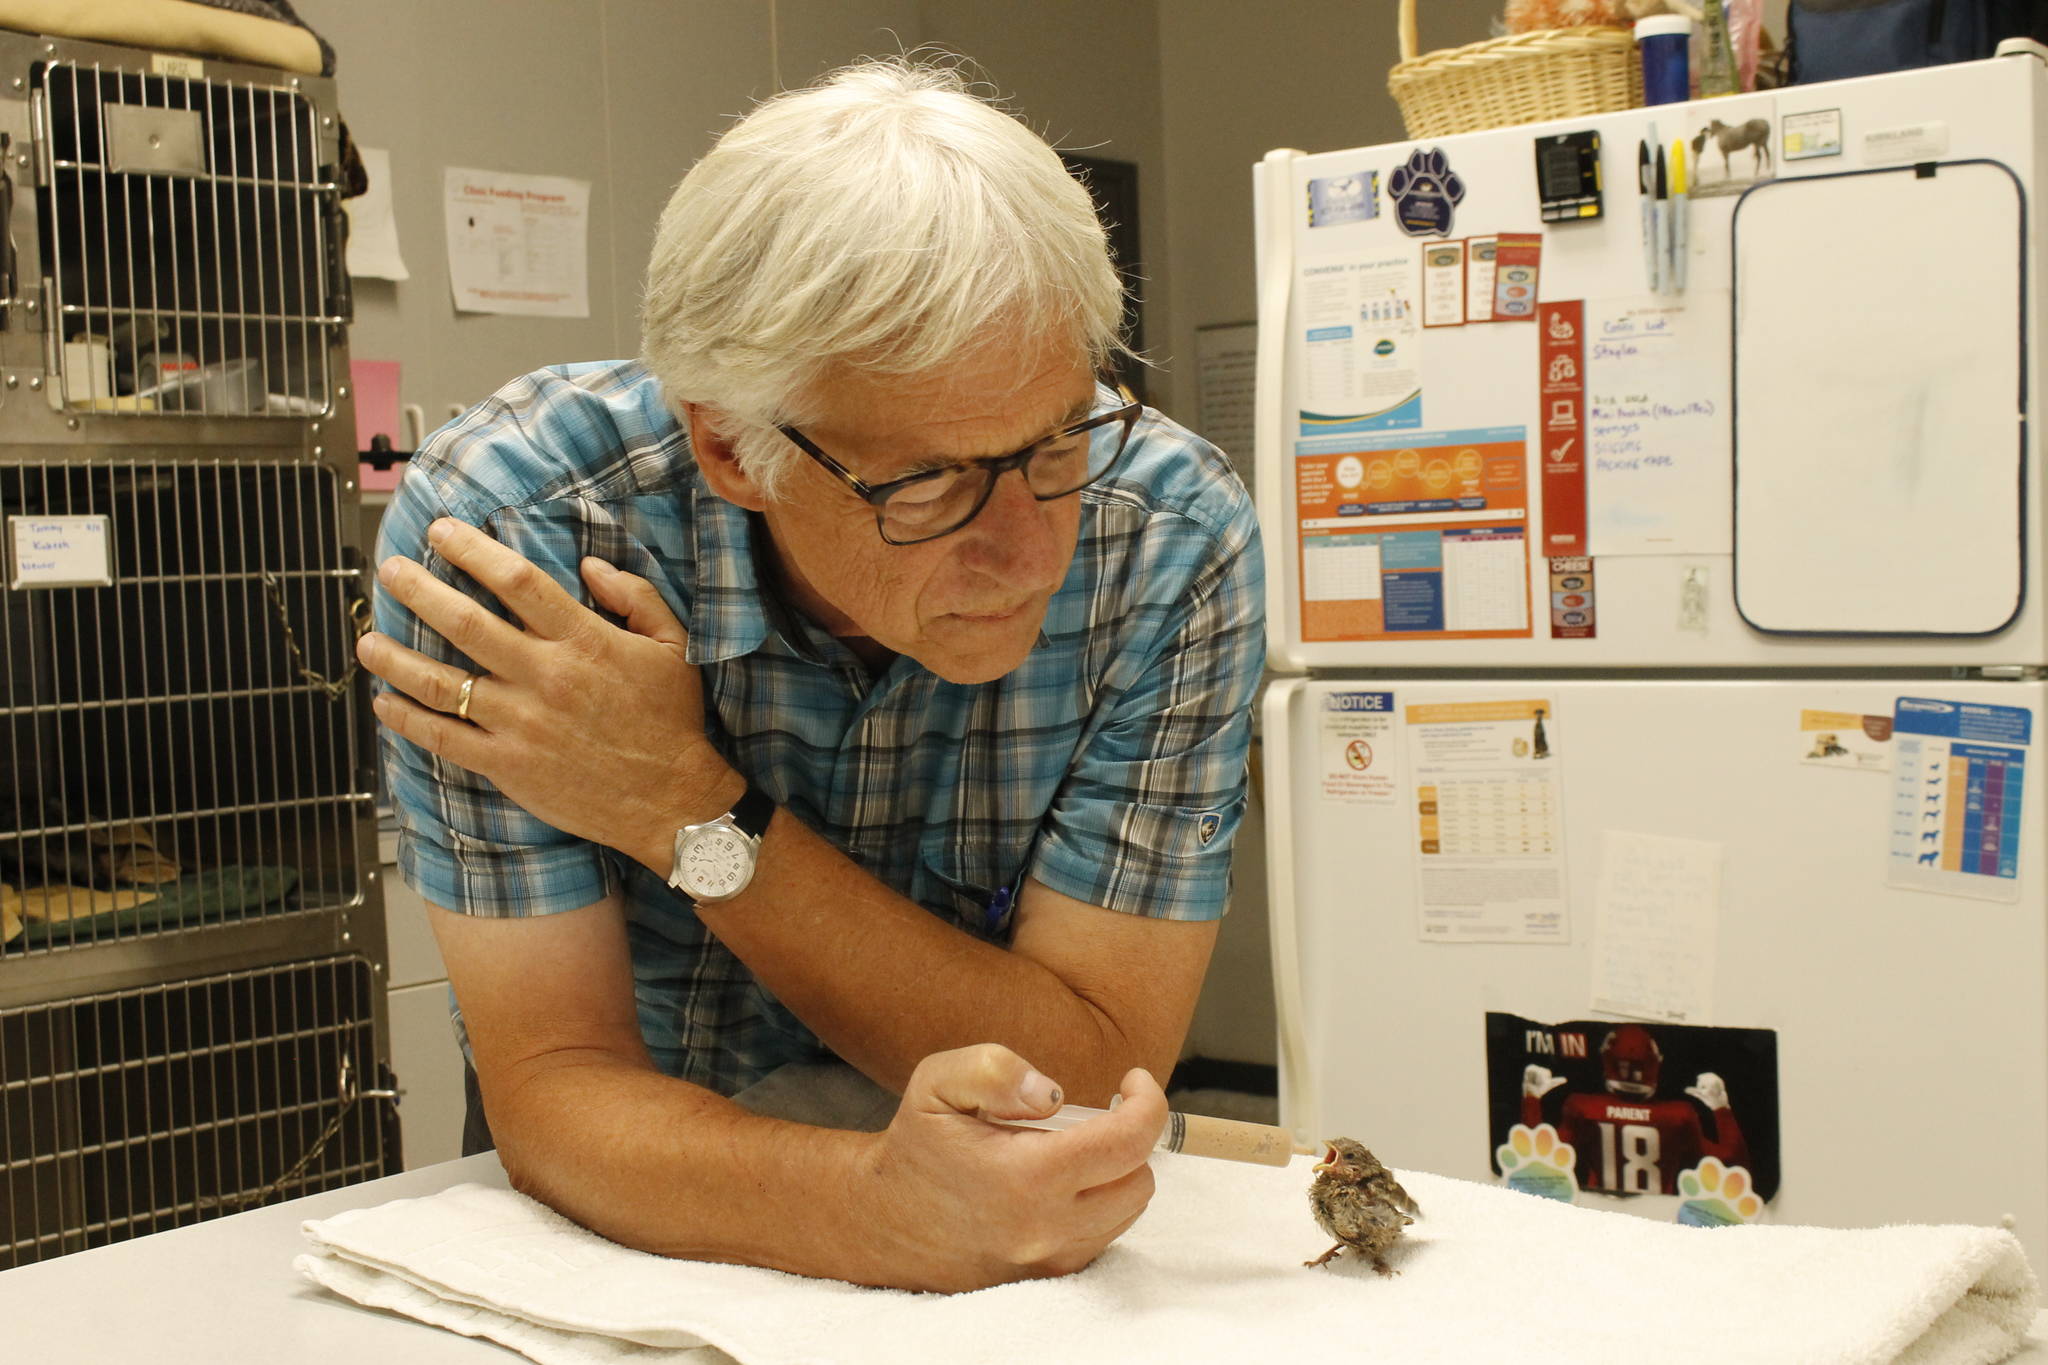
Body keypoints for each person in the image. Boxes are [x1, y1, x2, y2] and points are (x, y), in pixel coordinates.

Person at [355, 58, 1263, 1293]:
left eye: (1057, 439)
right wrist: (867, 1211)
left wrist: (683, 808)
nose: (1028, 546)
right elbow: (554, 1081)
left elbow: (1095, 1079)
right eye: (928, 480)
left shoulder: (1167, 537)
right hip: (621, 1201)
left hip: (1011, 1211)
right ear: (731, 446)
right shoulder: (515, 535)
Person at [1521, 1023, 1750, 1196]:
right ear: (1654, 1064)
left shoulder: (1584, 1107)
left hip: (1595, 1215)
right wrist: (1721, 1108)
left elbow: (1537, 1161)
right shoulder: (1678, 1115)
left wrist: (1531, 1098)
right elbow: (1733, 1166)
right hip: (1661, 1220)